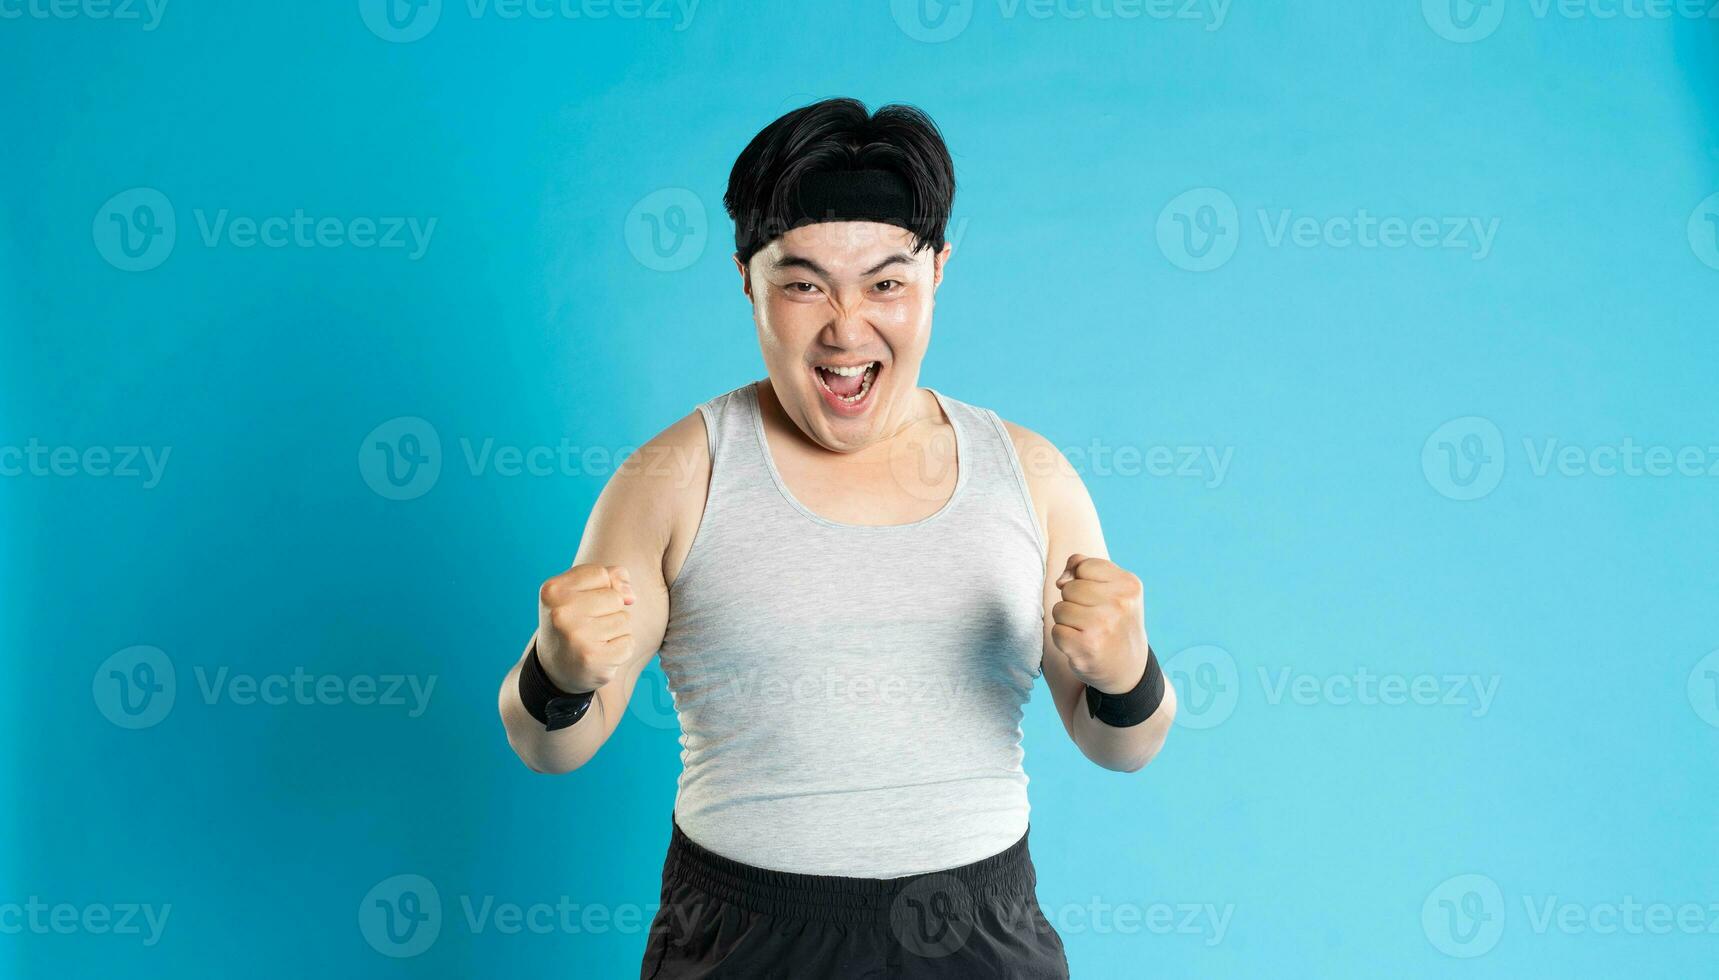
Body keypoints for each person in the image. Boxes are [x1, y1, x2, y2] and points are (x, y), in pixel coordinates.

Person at [497, 97, 1176, 979]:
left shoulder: (1029, 475)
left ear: (938, 272)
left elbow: (1118, 743)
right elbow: (549, 745)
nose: (846, 328)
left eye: (885, 283)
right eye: (803, 282)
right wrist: (557, 672)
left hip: (978, 936)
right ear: (746, 277)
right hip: (745, 938)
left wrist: (1127, 675)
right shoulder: (671, 479)